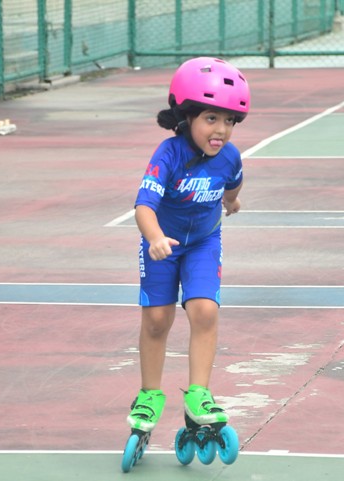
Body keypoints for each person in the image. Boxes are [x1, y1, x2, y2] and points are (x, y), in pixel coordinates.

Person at [127, 57, 250, 433]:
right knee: (157, 320)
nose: (222, 130)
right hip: (162, 244)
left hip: (203, 243)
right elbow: (143, 206)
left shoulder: (229, 156)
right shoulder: (169, 153)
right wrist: (155, 238)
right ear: (187, 119)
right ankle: (149, 395)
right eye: (211, 119)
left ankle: (199, 393)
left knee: (205, 311)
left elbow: (234, 182)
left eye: (229, 121)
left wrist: (231, 202)